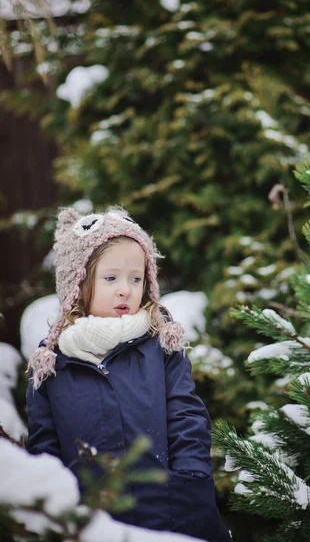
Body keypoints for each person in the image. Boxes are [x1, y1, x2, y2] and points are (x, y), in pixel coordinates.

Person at [26, 206, 231, 542]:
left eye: (136, 278)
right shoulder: (51, 365)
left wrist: (191, 481)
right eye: (111, 278)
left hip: (173, 513)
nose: (125, 289)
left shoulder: (159, 346)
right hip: (92, 523)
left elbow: (187, 417)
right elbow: (44, 447)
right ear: (77, 283)